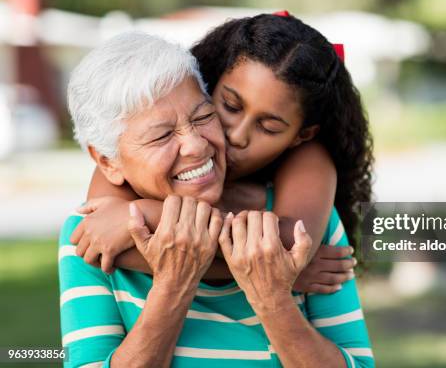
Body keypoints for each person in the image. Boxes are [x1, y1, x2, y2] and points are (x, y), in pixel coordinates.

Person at [59, 31, 374, 367]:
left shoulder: (308, 226)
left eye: (201, 117)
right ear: (108, 162)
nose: (197, 144)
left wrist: (273, 296)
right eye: (162, 135)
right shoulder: (94, 234)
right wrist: (174, 282)